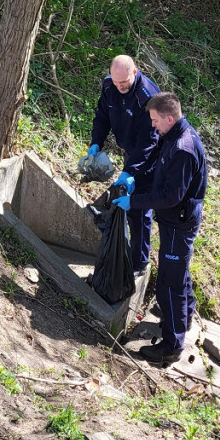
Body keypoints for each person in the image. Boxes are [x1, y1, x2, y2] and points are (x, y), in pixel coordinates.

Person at [113, 92, 207, 363]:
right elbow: (158, 167)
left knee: (169, 283)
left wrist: (135, 202)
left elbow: (171, 196)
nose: (153, 126)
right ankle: (184, 317)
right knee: (179, 273)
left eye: (155, 121)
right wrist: (134, 176)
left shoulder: (183, 149)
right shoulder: (175, 136)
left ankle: (171, 347)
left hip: (178, 223)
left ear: (169, 118)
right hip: (175, 220)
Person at [84, 55, 161, 275]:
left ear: (134, 72)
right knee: (127, 206)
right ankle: (127, 252)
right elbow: (102, 116)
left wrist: (129, 172)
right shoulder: (110, 86)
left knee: (139, 208)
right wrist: (96, 142)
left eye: (124, 82)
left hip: (150, 156)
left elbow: (149, 141)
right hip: (130, 150)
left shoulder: (148, 97)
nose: (120, 86)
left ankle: (139, 263)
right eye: (117, 82)